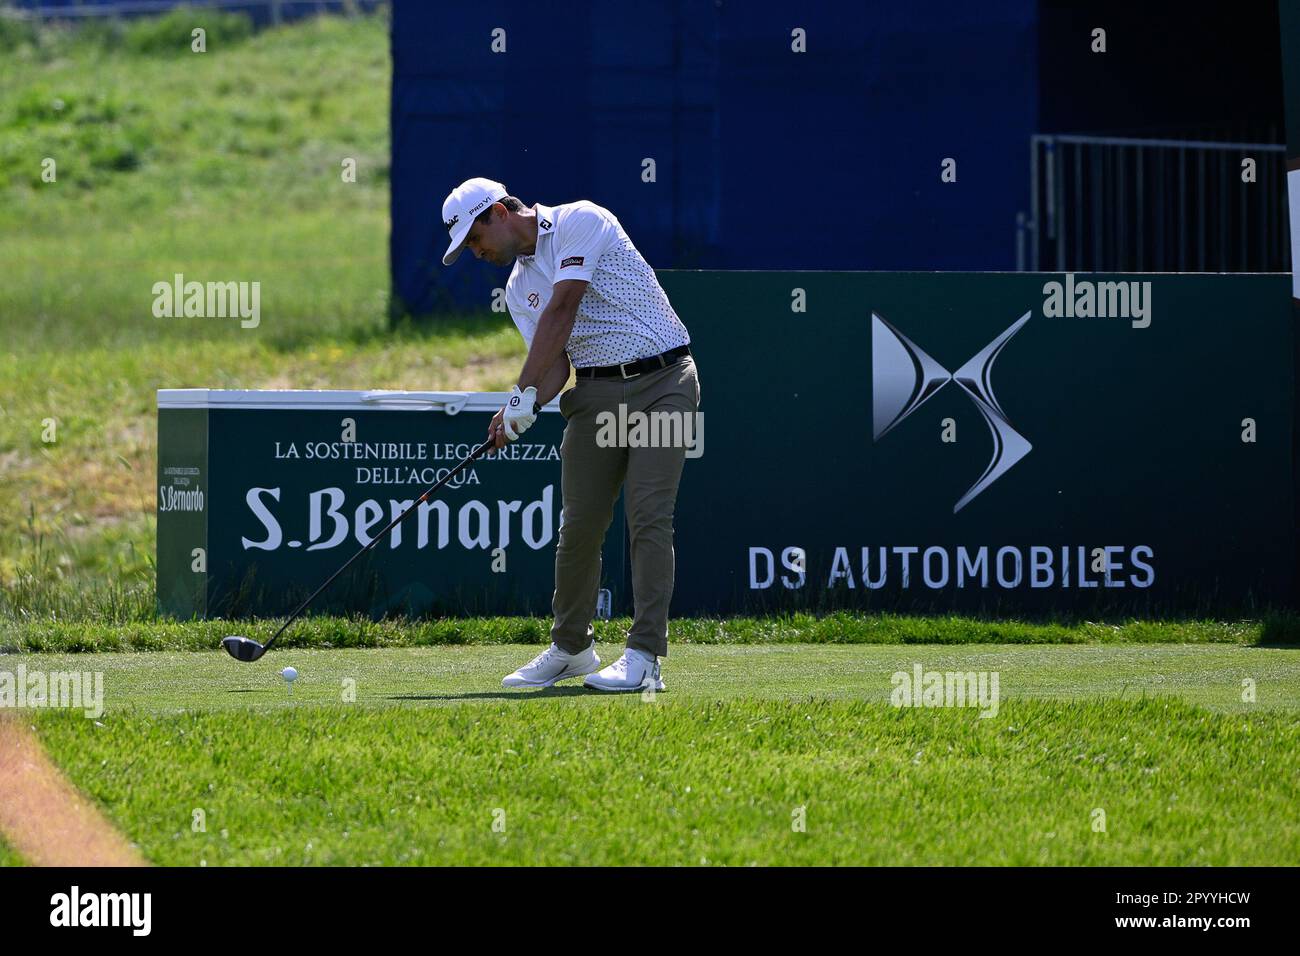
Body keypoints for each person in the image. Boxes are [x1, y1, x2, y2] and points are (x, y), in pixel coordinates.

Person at [441, 177, 699, 692]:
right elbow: (556, 362)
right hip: (596, 394)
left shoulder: (581, 219)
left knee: (648, 516)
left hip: (663, 383)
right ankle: (572, 648)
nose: (475, 253)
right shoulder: (516, 287)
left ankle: (645, 656)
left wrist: (520, 392)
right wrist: (525, 405)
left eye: (474, 239)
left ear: (497, 211)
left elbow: (565, 308)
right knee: (579, 524)